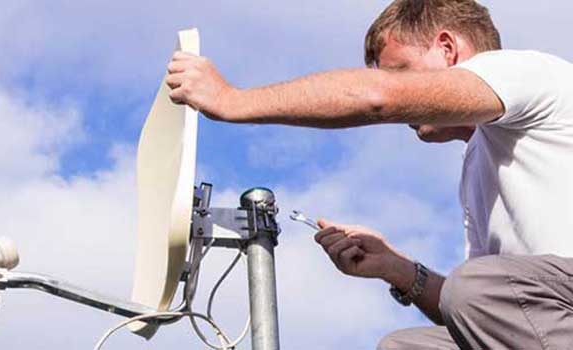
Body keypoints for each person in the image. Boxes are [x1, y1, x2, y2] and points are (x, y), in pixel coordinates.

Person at [165, 0, 573, 348]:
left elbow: (378, 99)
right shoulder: (478, 166)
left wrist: (232, 100)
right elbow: (493, 318)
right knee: (403, 346)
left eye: (398, 71)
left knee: (478, 288)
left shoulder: (523, 71)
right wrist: (396, 268)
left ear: (448, 48)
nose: (397, 97)